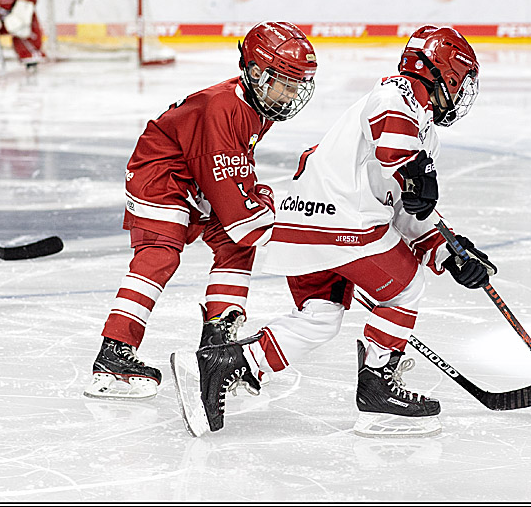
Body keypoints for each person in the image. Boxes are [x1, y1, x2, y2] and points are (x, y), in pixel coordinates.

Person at [171, 26, 497, 438]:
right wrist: (414, 175)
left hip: (303, 226)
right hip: (343, 225)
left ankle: (226, 363)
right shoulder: (397, 97)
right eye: (462, 83)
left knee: (320, 319)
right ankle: (377, 385)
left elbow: (406, 207)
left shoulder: (421, 126)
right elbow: (397, 154)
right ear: (447, 76)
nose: (463, 94)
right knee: (405, 289)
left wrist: (451, 252)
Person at [85, 22, 318, 400]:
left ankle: (217, 344)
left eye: (298, 84)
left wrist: (260, 203)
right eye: (286, 82)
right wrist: (306, 236)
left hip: (195, 172)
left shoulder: (261, 105)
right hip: (160, 175)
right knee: (159, 255)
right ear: (257, 72)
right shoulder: (221, 108)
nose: (292, 93)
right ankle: (114, 350)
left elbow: (235, 168)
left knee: (235, 245)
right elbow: (242, 217)